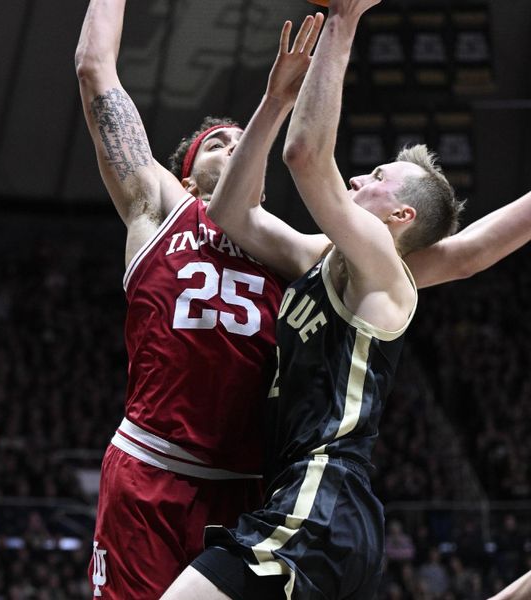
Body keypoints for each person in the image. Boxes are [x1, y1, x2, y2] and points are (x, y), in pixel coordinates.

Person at [76, 1, 531, 597]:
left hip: (260, 488)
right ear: (186, 175)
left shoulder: (325, 255)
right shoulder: (163, 211)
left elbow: (464, 252)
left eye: (243, 140)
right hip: (157, 467)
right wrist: (272, 105)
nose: (236, 145)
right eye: (218, 143)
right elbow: (96, 71)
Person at [161, 0, 468, 596]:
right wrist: (273, 99)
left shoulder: (384, 268)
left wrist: (344, 20)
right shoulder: (323, 261)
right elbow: (230, 212)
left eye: (377, 179)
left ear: (401, 217)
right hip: (318, 509)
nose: (358, 179)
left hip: (320, 500)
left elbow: (304, 155)